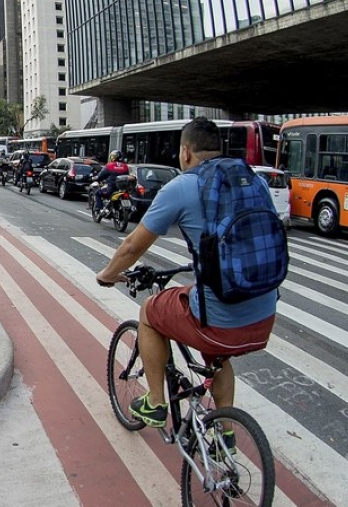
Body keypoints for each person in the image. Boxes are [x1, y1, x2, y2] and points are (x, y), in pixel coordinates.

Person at [95, 117, 278, 429]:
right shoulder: (253, 181)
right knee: (217, 356)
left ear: (185, 152)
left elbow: (131, 247)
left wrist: (108, 274)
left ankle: (154, 402)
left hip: (221, 323)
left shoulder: (182, 186)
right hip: (264, 316)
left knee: (150, 312)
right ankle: (226, 435)